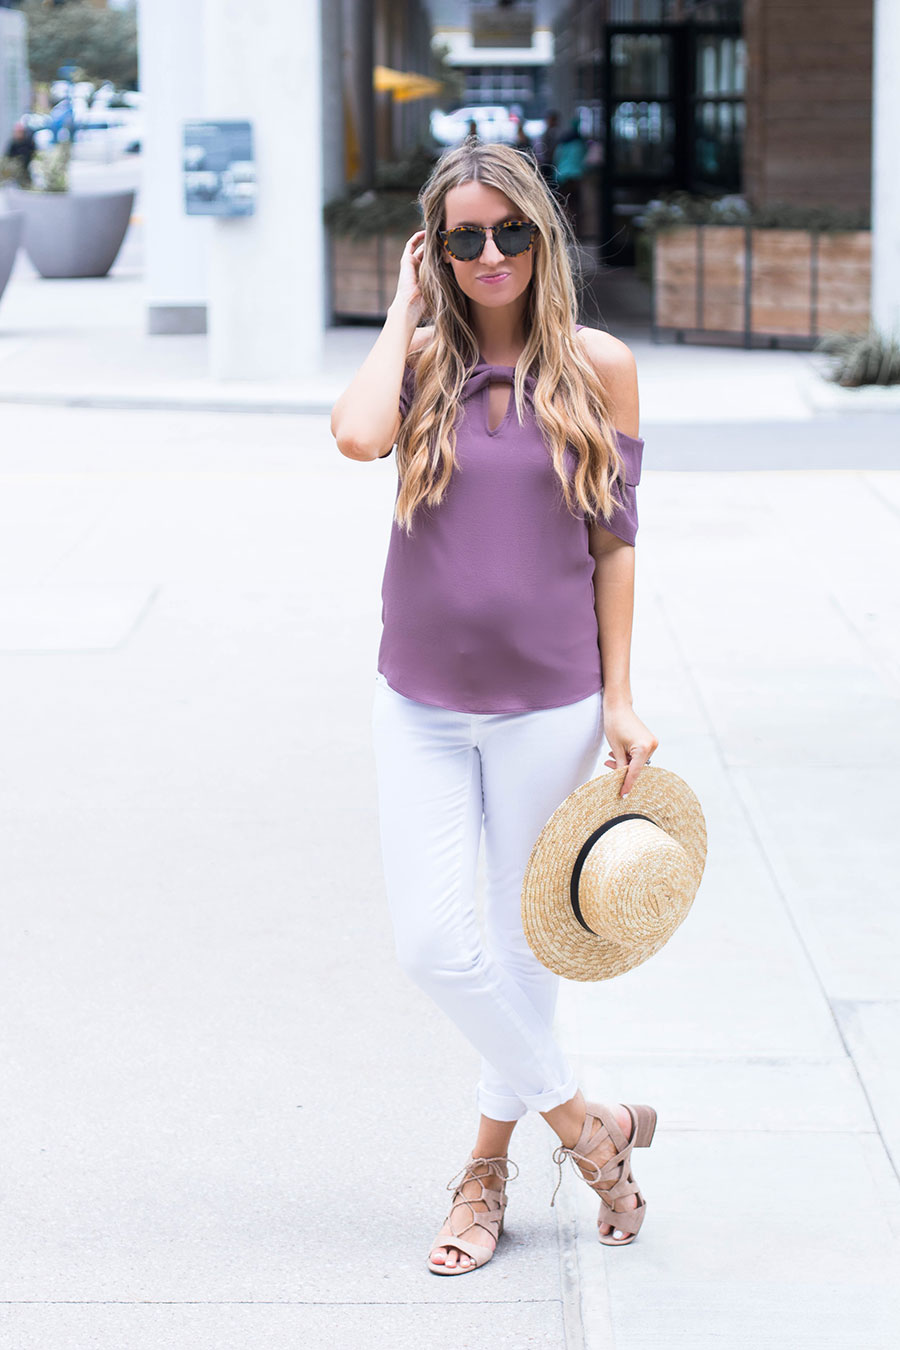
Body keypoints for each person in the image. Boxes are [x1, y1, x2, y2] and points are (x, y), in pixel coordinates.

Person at [330, 142, 657, 1274]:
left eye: (509, 232)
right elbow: (356, 436)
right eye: (462, 238)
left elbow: (615, 544)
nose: (489, 255)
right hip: (418, 701)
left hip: (550, 707)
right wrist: (401, 308)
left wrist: (620, 697)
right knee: (433, 942)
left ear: (541, 237)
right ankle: (589, 1128)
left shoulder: (598, 364)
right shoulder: (418, 363)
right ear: (438, 251)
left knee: (525, 958)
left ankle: (484, 1175)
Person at [553, 115, 587, 237]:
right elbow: (584, 161)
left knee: (564, 206)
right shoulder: (581, 145)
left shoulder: (563, 144)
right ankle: (576, 232)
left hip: (563, 177)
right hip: (575, 177)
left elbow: (556, 159)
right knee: (575, 206)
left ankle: (565, 231)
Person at [4, 120, 35, 186]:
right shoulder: (13, 143)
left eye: (20, 132)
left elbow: (34, 154)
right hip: (16, 171)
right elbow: (8, 157)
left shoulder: (29, 142)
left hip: (27, 169)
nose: (18, 133)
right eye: (17, 132)